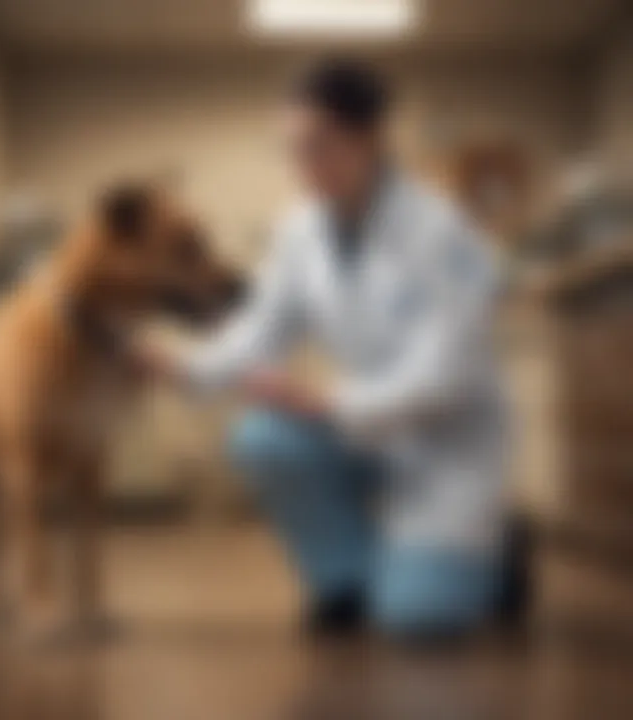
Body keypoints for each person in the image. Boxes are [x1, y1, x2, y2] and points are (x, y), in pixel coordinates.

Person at [142, 57, 520, 639]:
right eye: (291, 149)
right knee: (263, 436)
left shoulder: (444, 232)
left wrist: (326, 400)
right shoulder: (300, 229)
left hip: (446, 444)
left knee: (417, 621)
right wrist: (187, 367)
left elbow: (446, 374)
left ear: (369, 139)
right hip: (366, 426)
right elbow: (263, 327)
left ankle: (503, 558)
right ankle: (345, 580)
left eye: (319, 146)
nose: (303, 166)